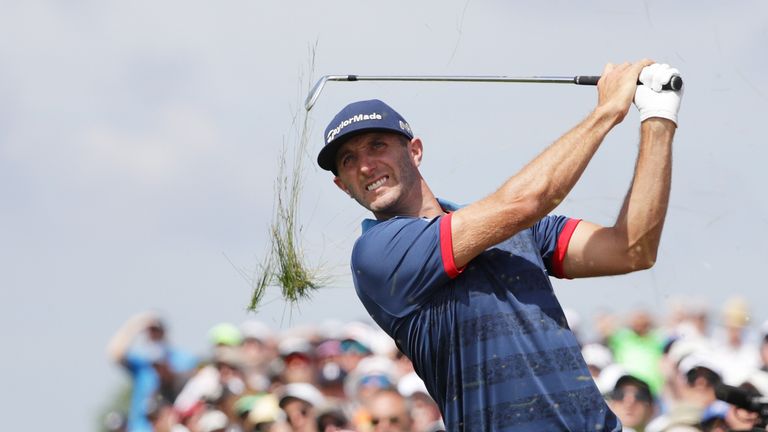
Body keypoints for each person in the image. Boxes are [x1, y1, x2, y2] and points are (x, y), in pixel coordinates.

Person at [316, 60, 682, 431]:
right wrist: (607, 111)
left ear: (415, 151)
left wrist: (658, 116)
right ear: (342, 185)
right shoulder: (376, 253)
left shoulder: (513, 227)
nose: (365, 165)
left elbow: (631, 248)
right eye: (349, 160)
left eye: (377, 145)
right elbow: (525, 202)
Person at [107, 311, 198, 432]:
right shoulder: (143, 364)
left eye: (156, 331)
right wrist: (137, 324)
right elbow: (115, 353)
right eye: (150, 331)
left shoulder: (182, 360)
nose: (153, 335)